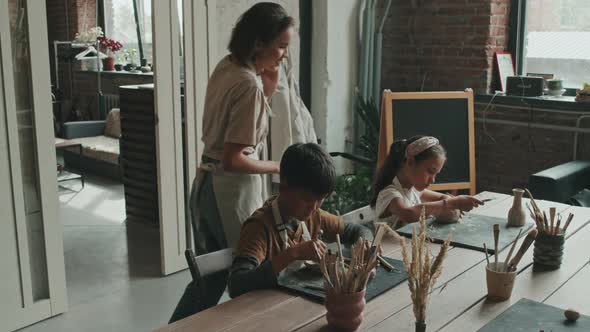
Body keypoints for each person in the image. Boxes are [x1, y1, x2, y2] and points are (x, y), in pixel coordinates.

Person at [169, 3, 295, 322]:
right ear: (258, 44)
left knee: (211, 275)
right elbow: (234, 158)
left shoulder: (228, 67)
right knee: (246, 272)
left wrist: (268, 84)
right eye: (281, 46)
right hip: (229, 192)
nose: (284, 54)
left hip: (207, 185)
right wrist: (278, 166)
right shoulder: (247, 85)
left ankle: (175, 328)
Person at [228, 143, 374, 297]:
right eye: (306, 199)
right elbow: (237, 285)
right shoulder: (259, 227)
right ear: (284, 186)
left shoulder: (315, 216)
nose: (314, 207)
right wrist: (293, 253)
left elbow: (358, 231)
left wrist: (365, 244)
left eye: (321, 199)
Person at [371, 136, 483, 229]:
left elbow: (443, 198)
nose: (432, 180)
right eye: (430, 171)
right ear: (410, 162)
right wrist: (453, 204)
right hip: (387, 253)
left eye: (436, 174)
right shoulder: (389, 193)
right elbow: (408, 213)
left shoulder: (412, 189)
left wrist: (452, 203)